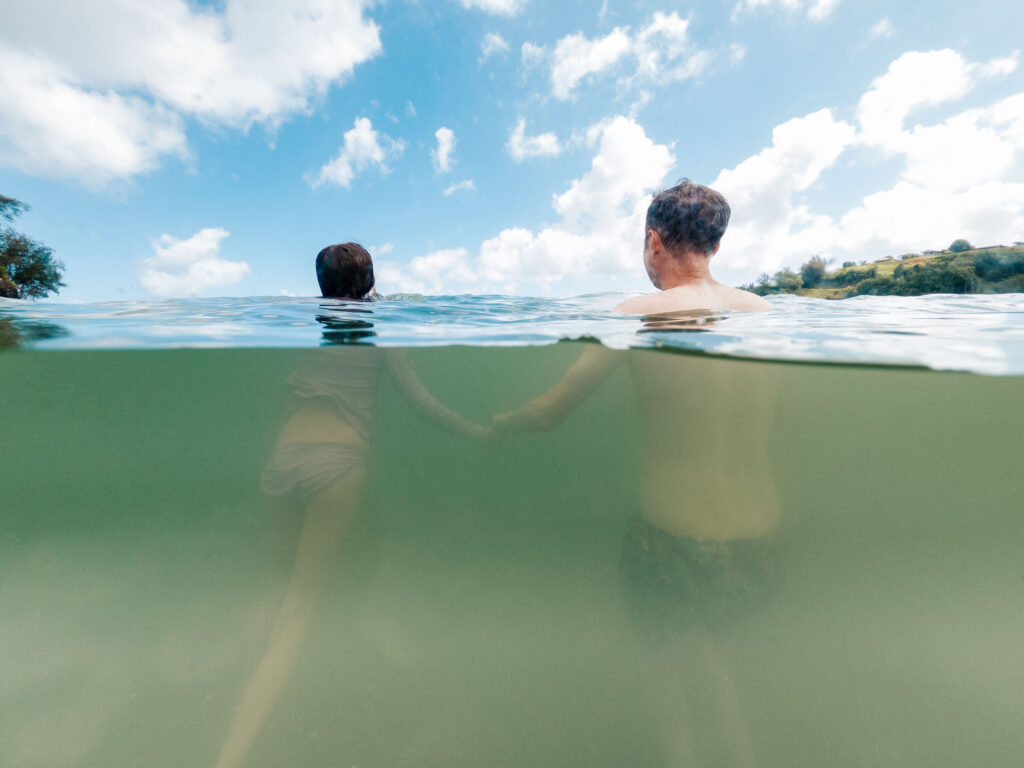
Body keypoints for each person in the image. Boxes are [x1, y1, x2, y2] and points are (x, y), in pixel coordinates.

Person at [493, 181, 779, 766]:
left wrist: (503, 422)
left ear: (653, 242)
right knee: (705, 659)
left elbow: (552, 409)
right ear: (716, 247)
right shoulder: (763, 313)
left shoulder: (640, 314)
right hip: (760, 547)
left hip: (676, 540)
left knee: (671, 675)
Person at [214, 243, 489, 768]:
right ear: (370, 280)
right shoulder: (383, 330)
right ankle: (232, 752)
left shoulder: (308, 320)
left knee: (277, 587)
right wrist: (473, 430)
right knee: (298, 613)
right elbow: (422, 403)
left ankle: (227, 686)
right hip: (336, 461)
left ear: (320, 283)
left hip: (283, 458)